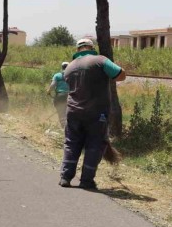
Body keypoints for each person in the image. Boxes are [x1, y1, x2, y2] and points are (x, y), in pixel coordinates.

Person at [59, 38, 126, 189]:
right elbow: (121, 75)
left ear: (78, 50)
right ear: (91, 47)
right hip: (96, 113)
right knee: (95, 144)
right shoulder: (100, 60)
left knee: (71, 143)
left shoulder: (69, 67)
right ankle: (86, 180)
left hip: (73, 112)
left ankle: (65, 177)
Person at [47, 61, 70, 128]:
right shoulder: (72, 75)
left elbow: (53, 85)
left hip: (60, 96)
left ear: (62, 67)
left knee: (60, 112)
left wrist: (49, 91)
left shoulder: (57, 75)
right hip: (70, 96)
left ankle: (64, 126)